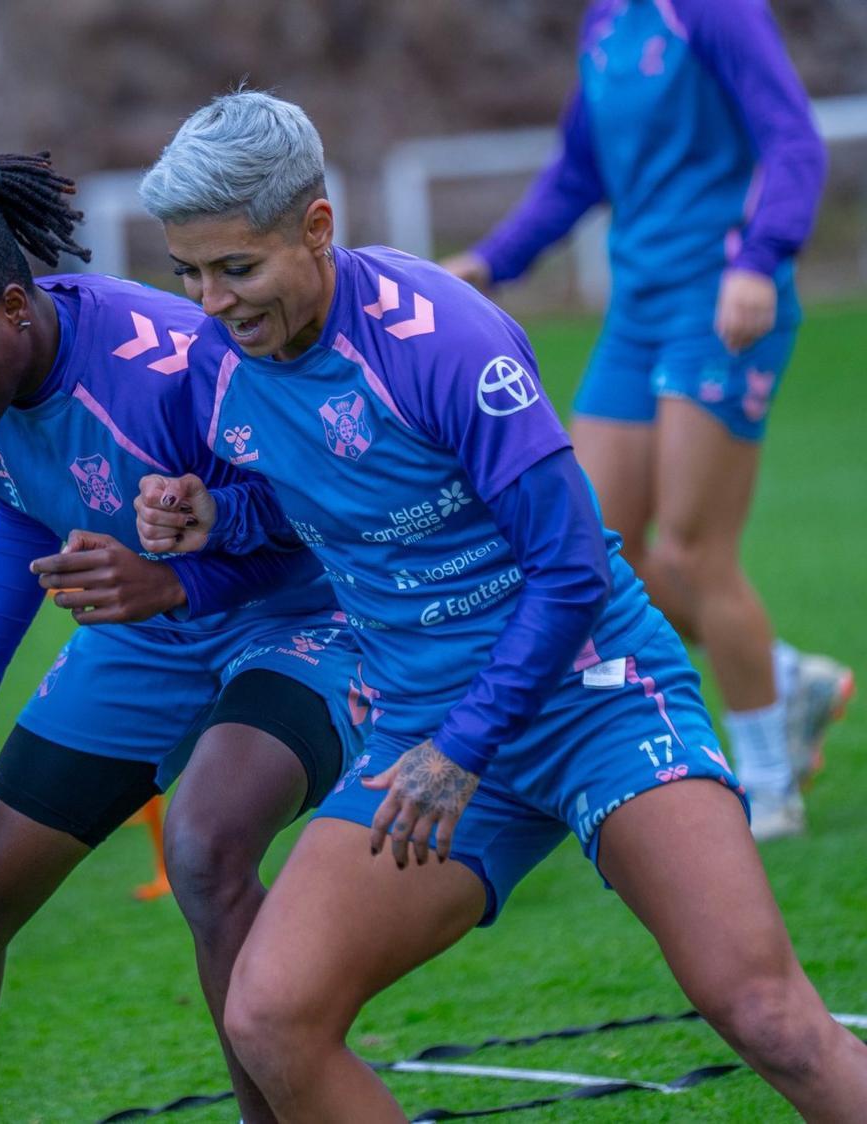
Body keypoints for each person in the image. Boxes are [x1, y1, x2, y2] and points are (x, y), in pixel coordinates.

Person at [135, 90, 867, 1121]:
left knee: (768, 1014)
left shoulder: (446, 339)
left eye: (237, 268)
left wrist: (465, 745)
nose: (210, 300)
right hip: (427, 735)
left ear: (316, 226)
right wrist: (216, 514)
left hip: (589, 700)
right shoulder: (214, 369)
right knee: (269, 1014)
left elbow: (570, 565)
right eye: (189, 272)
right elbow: (310, 500)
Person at [0, 151, 366, 1123]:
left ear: (15, 307)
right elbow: (23, 512)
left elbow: (320, 512)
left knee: (208, 844)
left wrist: (180, 576)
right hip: (149, 633)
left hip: (302, 618)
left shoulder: (178, 359)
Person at [439, 0, 852, 841]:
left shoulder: (710, 9)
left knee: (693, 553)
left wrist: (762, 258)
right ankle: (782, 678)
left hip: (723, 300)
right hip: (638, 310)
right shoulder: (607, 21)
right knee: (593, 544)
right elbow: (576, 174)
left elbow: (793, 139)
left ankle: (769, 784)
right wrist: (492, 261)